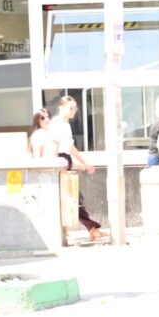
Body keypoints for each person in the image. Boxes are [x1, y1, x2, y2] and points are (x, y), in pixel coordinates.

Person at [49, 93, 104, 245]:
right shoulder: (56, 123)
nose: (74, 111)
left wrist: (84, 163)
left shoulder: (65, 124)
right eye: (71, 108)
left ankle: (91, 228)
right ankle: (92, 228)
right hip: (59, 161)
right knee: (71, 198)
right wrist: (55, 166)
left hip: (64, 160)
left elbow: (70, 147)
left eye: (75, 108)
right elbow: (55, 146)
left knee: (72, 198)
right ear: (61, 107)